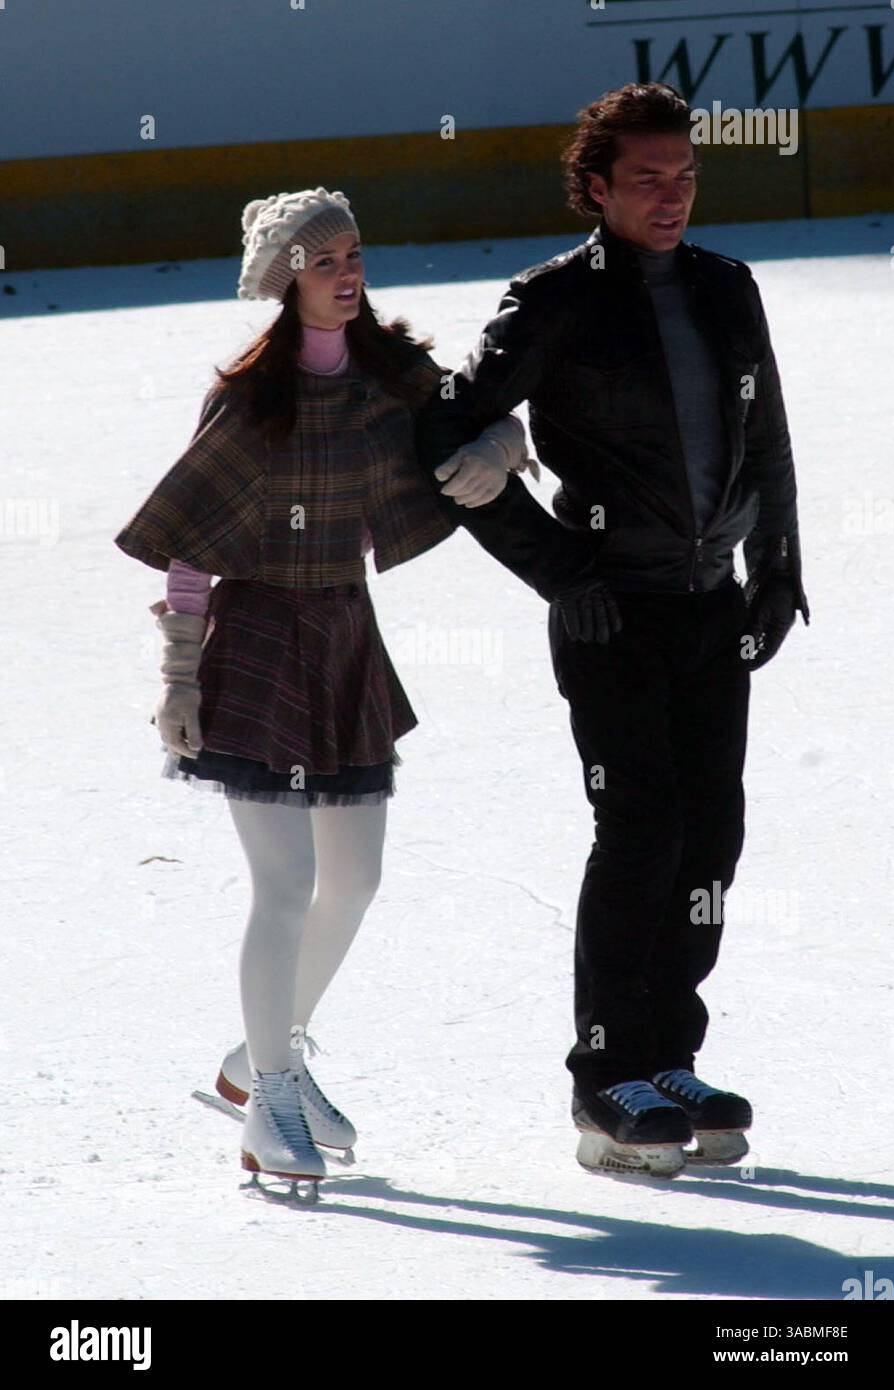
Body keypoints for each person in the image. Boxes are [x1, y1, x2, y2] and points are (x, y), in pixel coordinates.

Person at [414, 84, 810, 1177]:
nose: (672, 196)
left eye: (684, 176)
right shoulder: (550, 303)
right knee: (638, 830)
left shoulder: (729, 288)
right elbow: (443, 440)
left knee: (709, 833)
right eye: (646, 179)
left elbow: (764, 431)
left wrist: (776, 565)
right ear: (596, 187)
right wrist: (554, 568)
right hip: (610, 608)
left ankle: (669, 1055)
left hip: (710, 601)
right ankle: (604, 1078)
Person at [114, 187, 532, 1197]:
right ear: (282, 277)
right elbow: (189, 541)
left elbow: (487, 418)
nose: (346, 273)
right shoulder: (249, 398)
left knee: (354, 879)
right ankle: (267, 1099)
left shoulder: (392, 372)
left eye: (353, 253)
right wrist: (178, 675)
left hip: (344, 635)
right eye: (323, 259)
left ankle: (265, 1055)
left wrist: (500, 448)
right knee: (286, 882)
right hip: (257, 643)